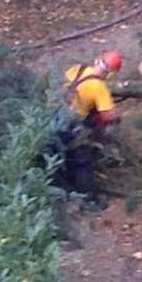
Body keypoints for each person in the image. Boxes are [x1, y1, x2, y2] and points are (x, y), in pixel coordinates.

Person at [53, 50, 123, 201]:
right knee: (82, 161)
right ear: (112, 73)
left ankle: (63, 185)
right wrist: (117, 114)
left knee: (59, 155)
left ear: (97, 59)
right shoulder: (99, 87)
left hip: (54, 116)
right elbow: (107, 116)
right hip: (72, 125)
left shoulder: (77, 69)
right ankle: (88, 198)